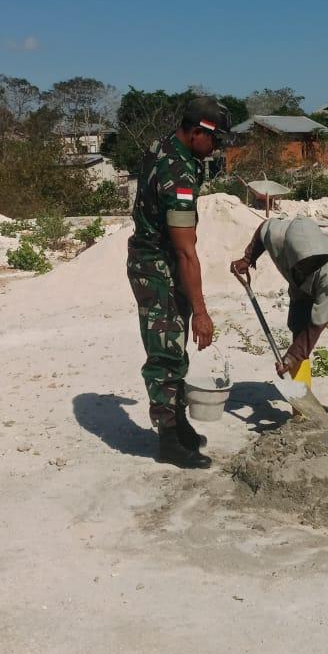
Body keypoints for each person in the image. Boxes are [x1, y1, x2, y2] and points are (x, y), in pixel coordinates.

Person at [127, 97, 231, 467]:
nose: (216, 148)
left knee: (174, 343)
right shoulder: (179, 178)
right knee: (166, 351)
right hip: (158, 266)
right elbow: (186, 251)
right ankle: (168, 438)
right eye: (214, 140)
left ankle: (179, 422)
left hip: (159, 259)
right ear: (196, 132)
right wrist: (201, 312)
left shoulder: (164, 147)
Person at [231, 216, 328, 420]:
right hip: (300, 290)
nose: (311, 270)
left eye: (314, 265)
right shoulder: (276, 236)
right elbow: (262, 230)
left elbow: (318, 322)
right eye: (306, 266)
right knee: (298, 335)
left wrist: (291, 357)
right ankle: (300, 414)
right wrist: (248, 258)